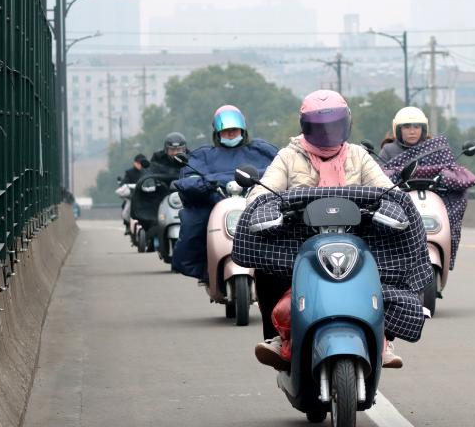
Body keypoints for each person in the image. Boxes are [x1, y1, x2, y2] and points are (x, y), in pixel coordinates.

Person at [245, 89, 408, 370]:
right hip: (298, 241)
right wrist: (267, 206)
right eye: (320, 127)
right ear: (305, 126)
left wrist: (392, 205)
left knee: (392, 267)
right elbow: (262, 192)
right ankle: (277, 337)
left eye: (333, 125)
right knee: (266, 269)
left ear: (346, 123)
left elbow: (386, 189)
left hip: (357, 238)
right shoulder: (288, 156)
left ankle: (383, 338)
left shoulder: (359, 156)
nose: (327, 132)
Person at [171, 105, 277, 279]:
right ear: (217, 133)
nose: (230, 134)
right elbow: (188, 180)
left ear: (242, 130)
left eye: (234, 130)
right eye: (226, 131)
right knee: (193, 221)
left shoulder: (262, 151)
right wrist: (209, 183)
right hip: (216, 205)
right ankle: (206, 269)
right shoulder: (203, 155)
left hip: (256, 203)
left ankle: (278, 270)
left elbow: (280, 170)